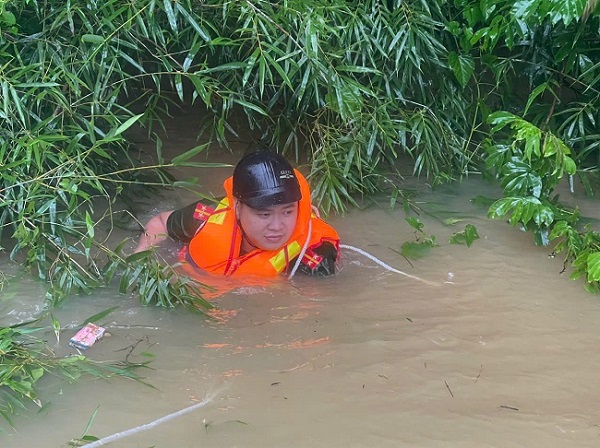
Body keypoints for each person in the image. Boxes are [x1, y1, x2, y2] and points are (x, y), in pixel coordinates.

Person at [135, 150, 340, 277]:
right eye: (264, 214)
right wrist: (140, 261)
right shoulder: (206, 216)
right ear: (238, 208)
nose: (277, 226)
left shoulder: (313, 260)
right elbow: (160, 223)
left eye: (287, 212)